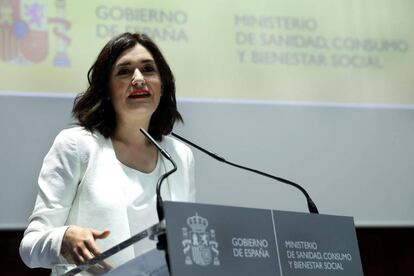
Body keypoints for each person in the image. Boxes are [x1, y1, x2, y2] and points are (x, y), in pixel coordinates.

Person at [19, 32, 196, 270]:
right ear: (107, 90)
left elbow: (186, 245)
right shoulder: (77, 145)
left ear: (162, 86)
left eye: (148, 69)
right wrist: (64, 238)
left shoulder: (180, 155)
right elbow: (29, 248)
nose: (138, 78)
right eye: (124, 71)